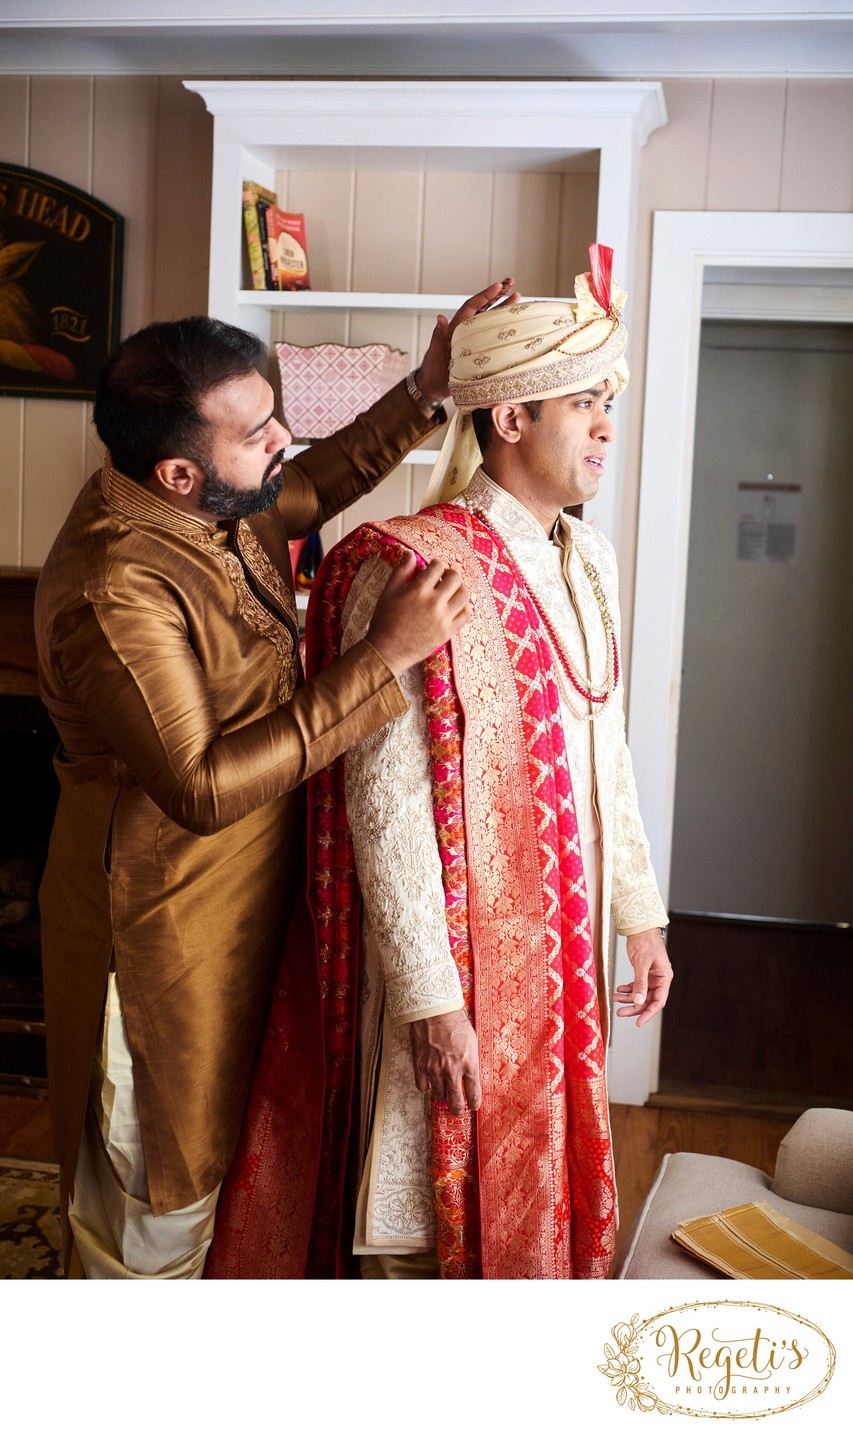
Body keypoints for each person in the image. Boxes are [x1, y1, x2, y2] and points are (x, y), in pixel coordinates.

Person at [205, 246, 673, 1281]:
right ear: (509, 420)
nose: (605, 426)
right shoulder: (410, 564)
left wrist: (637, 914)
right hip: (453, 966)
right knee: (425, 1227)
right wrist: (430, 1001)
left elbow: (608, 750)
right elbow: (384, 803)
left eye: (608, 401)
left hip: (562, 952)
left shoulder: (586, 560)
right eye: (582, 403)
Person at [35, 284, 513, 1279]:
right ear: (177, 471)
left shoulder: (216, 499)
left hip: (245, 905)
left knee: (227, 1173)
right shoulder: (112, 587)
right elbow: (203, 787)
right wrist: (381, 659)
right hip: (159, 932)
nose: (285, 439)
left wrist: (426, 391)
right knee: (155, 1201)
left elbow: (301, 490)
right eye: (259, 432)